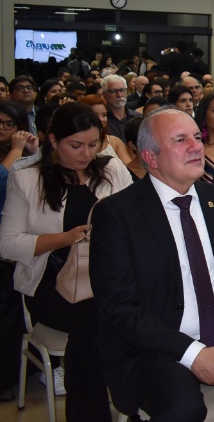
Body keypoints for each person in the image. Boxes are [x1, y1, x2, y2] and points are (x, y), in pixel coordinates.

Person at [90, 108, 214, 421]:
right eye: (180, 140)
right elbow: (118, 308)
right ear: (150, 157)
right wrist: (192, 354)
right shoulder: (118, 214)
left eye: (197, 137)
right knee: (183, 408)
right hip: (154, 348)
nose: (196, 147)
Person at [1, 103, 133, 420]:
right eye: (75, 146)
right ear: (53, 140)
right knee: (95, 322)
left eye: (93, 145)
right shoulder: (28, 180)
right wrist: (67, 237)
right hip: (49, 282)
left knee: (105, 318)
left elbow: (135, 222)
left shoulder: (112, 170)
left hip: (107, 278)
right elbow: (6, 244)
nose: (85, 154)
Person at [0, 102, 41, 209]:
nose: (1, 127)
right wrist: (16, 149)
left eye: (9, 124)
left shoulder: (25, 150)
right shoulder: (17, 150)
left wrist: (34, 152)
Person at [79, 94, 133, 165]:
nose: (101, 119)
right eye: (95, 115)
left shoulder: (115, 142)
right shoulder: (76, 143)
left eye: (104, 115)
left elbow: (129, 169)